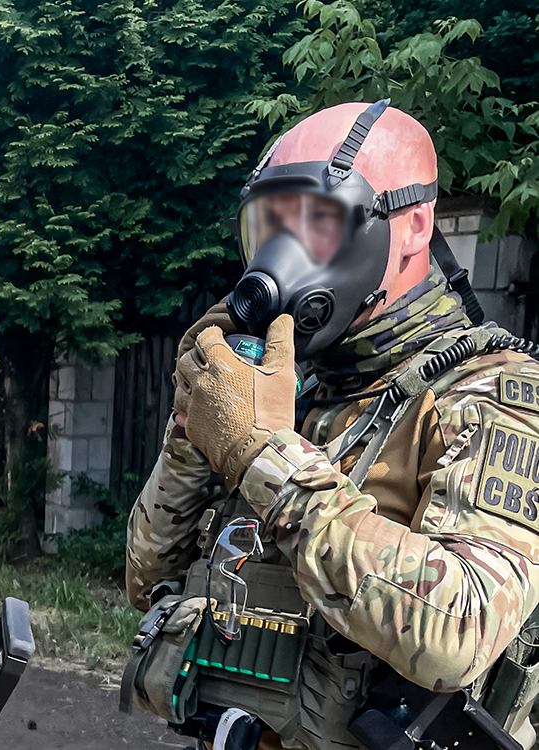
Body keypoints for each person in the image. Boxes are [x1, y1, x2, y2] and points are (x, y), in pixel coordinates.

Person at [124, 100, 539, 750]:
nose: (281, 255)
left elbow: (460, 631)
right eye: (269, 227)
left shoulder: (494, 392)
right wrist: (194, 422)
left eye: (316, 221)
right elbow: (146, 577)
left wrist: (261, 455)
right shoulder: (300, 387)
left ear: (413, 226)